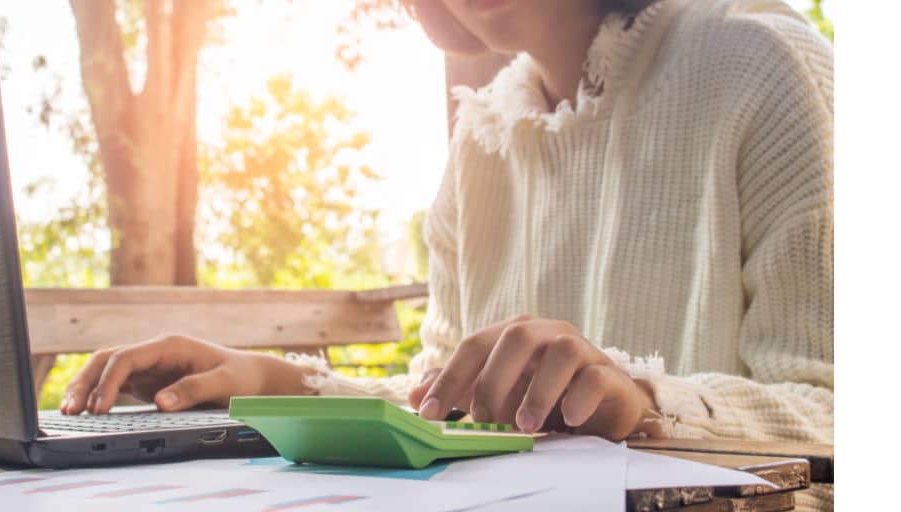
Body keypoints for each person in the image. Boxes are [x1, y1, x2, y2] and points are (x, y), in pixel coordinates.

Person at [61, 0, 832, 508]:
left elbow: (844, 420)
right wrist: (279, 380)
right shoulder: (484, 139)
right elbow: (453, 409)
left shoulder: (762, 66)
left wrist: (644, 405)